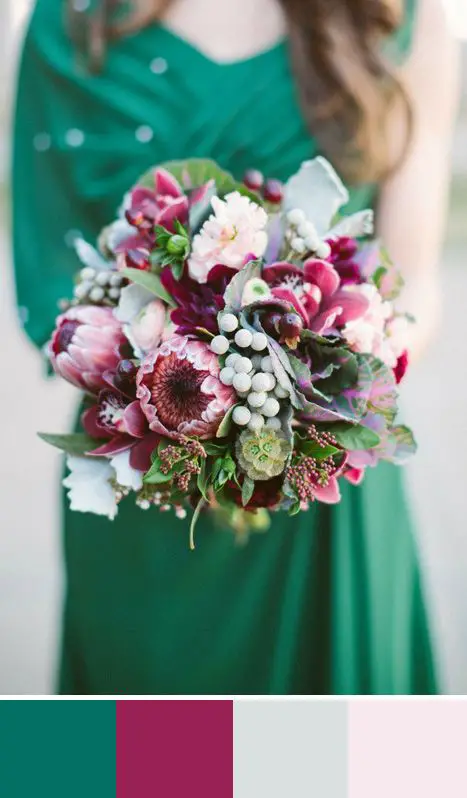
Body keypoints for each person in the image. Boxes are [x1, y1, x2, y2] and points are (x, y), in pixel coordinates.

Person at [12, 0, 458, 694]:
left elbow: (413, 282)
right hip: (142, 488)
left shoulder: (398, 16)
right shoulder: (69, 20)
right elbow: (52, 285)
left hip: (325, 488)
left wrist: (314, 389)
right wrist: (182, 401)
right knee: (148, 761)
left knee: (330, 760)